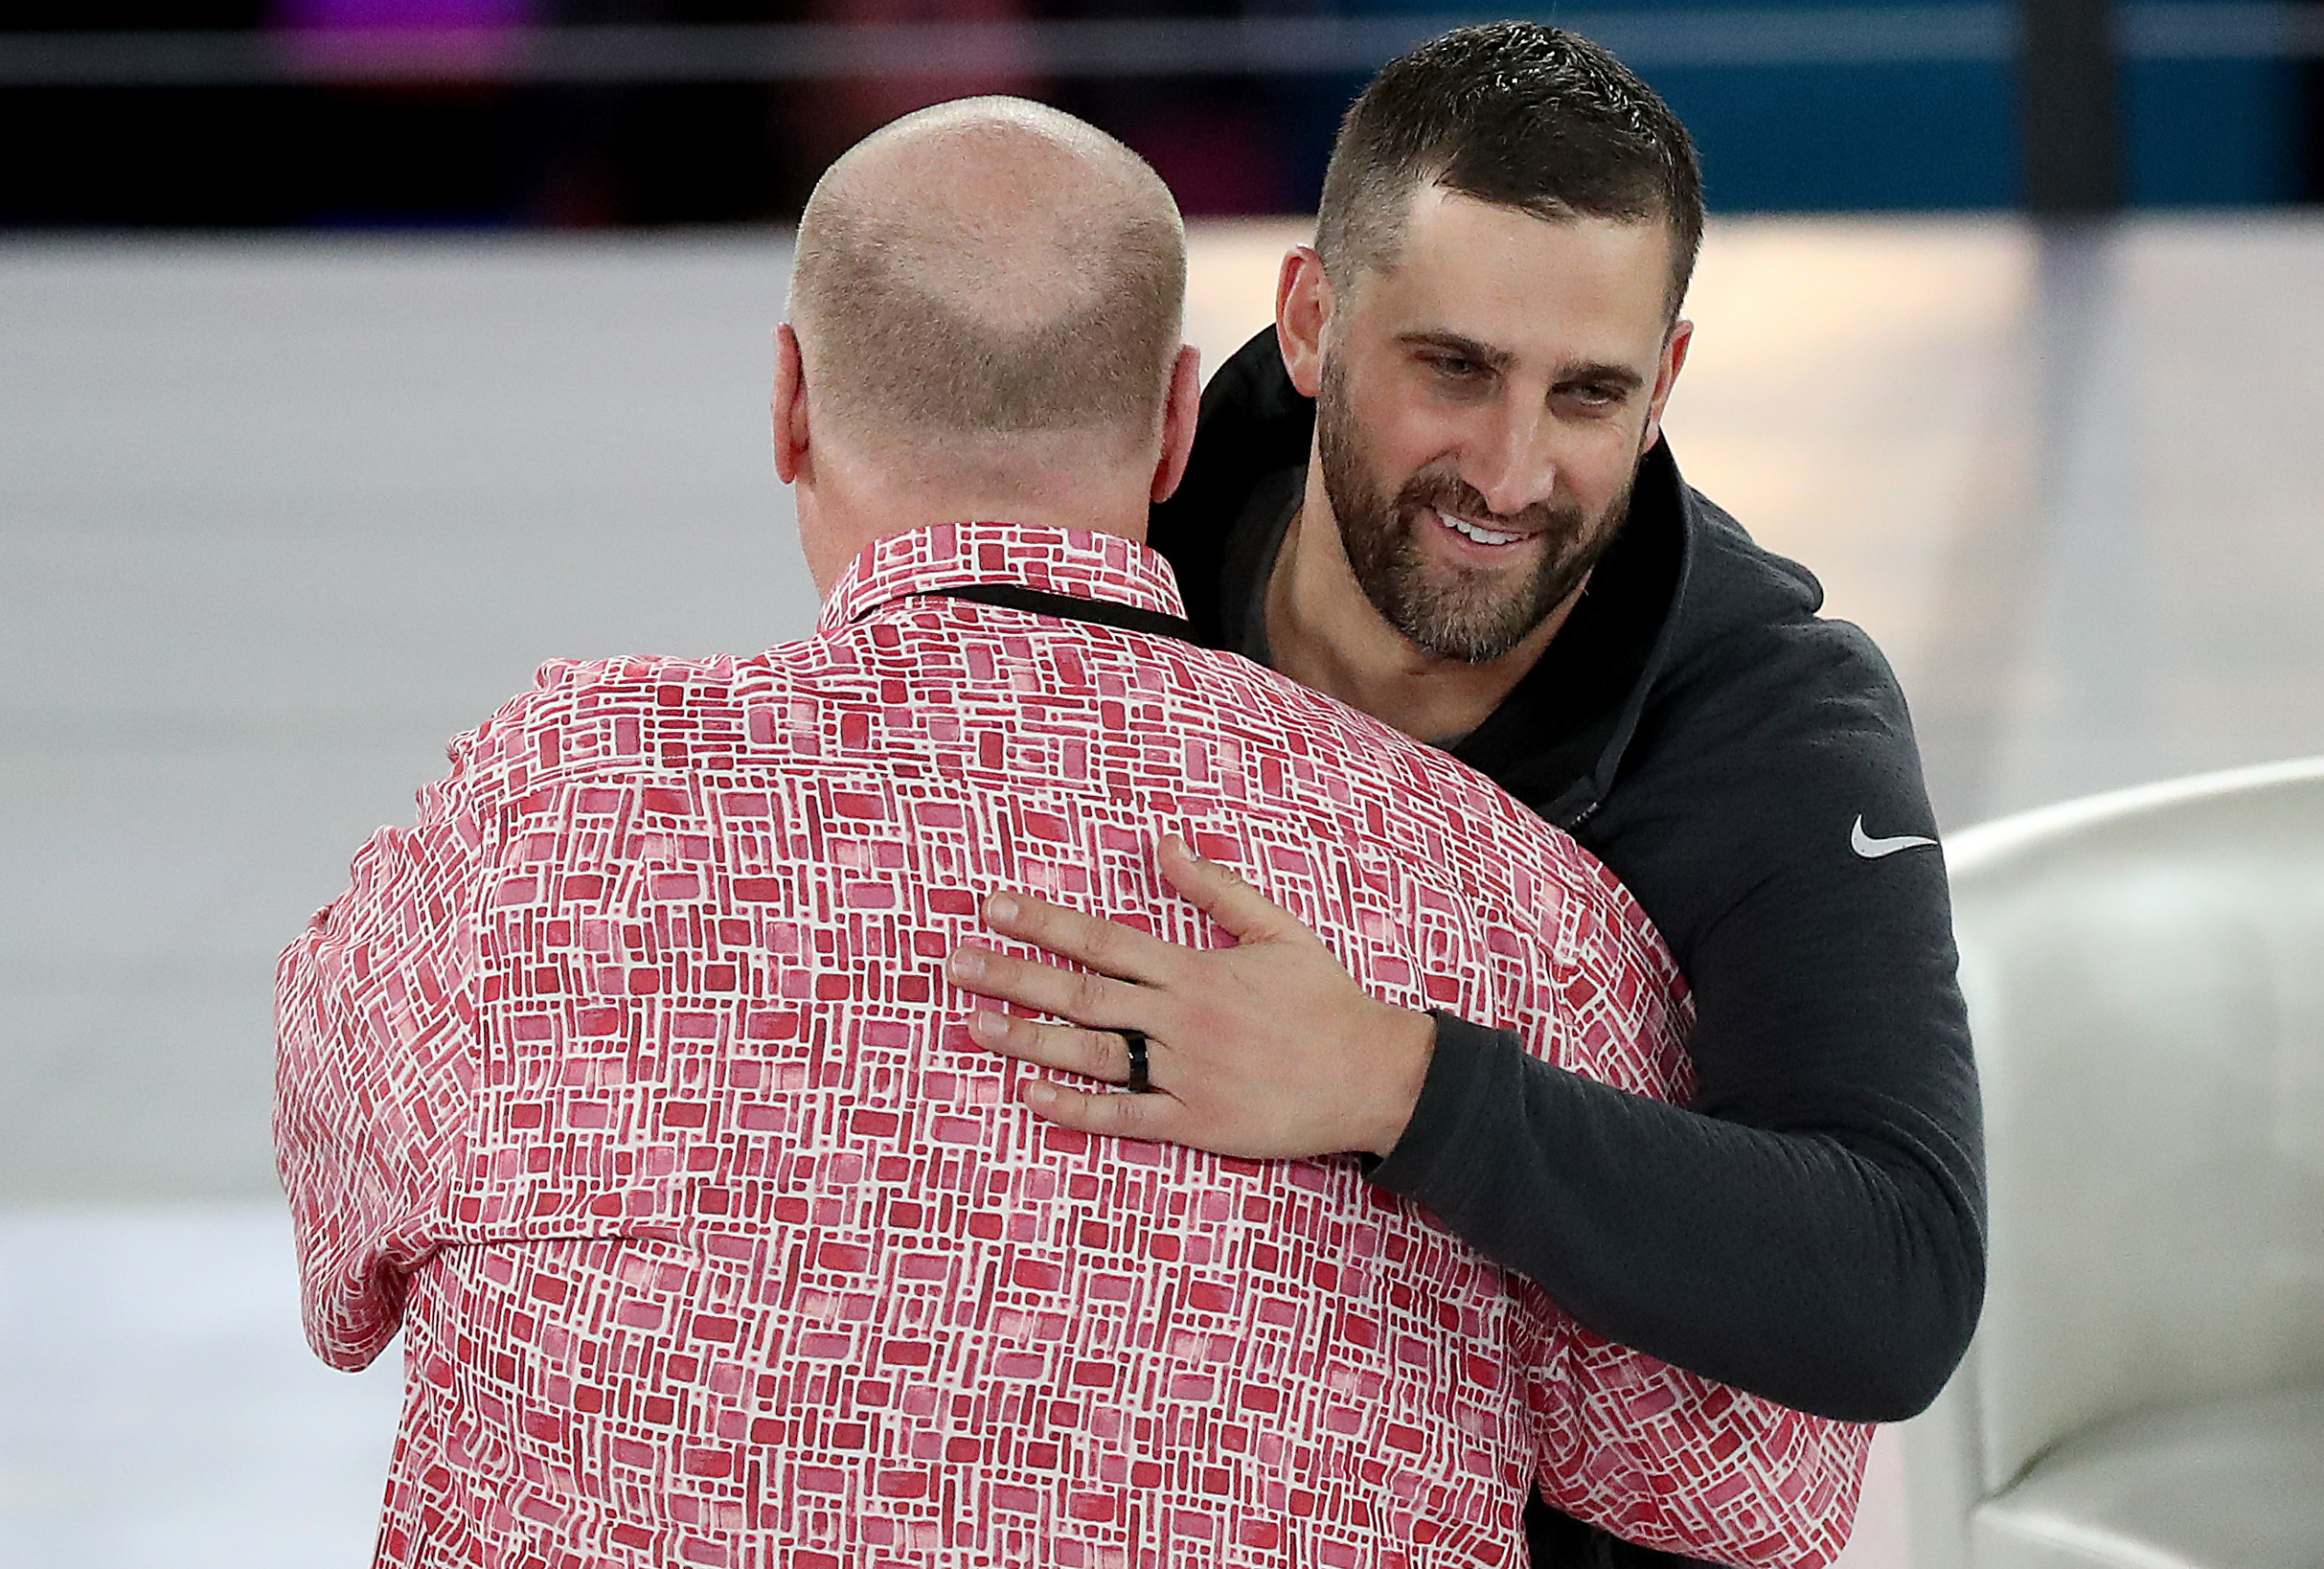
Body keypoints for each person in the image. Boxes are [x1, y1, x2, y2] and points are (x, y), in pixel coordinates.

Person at [277, 98, 1865, 1568]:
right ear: (1178, 424)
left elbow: (344, 1277)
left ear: (788, 405)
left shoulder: (532, 811)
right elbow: (1757, 1478)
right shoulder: (1501, 899)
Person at [949, 23, 1986, 1565]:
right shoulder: (1097, 556)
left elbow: (1894, 1279)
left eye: (1585, 395)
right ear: (1309, 322)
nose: (1508, 471)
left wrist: (1394, 1083)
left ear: (1665, 384)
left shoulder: (1774, 720)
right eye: (1452, 368)